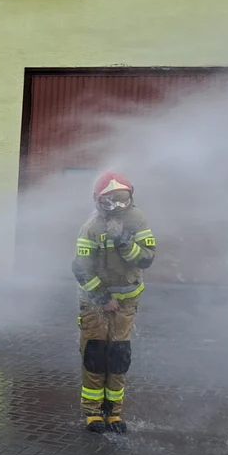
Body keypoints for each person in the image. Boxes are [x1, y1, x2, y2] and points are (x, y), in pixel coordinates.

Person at [72, 171, 156, 434]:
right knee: (95, 354)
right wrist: (103, 298)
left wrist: (122, 241)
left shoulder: (138, 220)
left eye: (122, 199)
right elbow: (80, 268)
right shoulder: (92, 227)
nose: (117, 206)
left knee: (119, 357)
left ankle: (114, 413)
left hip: (127, 304)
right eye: (110, 201)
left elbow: (145, 259)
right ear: (98, 201)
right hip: (96, 303)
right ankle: (93, 414)